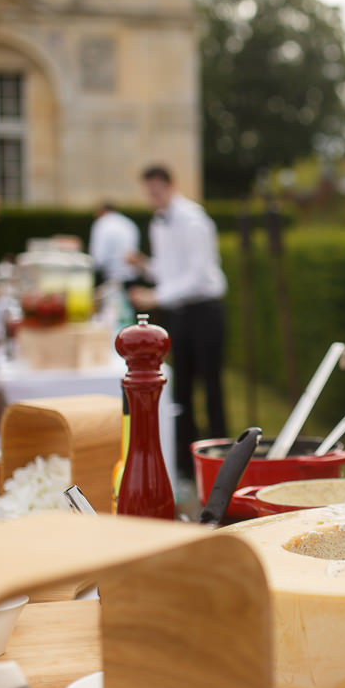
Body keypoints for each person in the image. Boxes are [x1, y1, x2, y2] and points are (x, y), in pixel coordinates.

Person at [127, 165, 229, 481]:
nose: (153, 197)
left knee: (211, 389)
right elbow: (169, 272)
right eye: (149, 192)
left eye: (157, 190)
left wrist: (154, 298)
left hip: (205, 311)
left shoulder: (194, 220)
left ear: (171, 186)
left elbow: (198, 276)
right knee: (181, 389)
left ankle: (223, 461)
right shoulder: (159, 225)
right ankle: (187, 465)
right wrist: (144, 266)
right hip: (179, 315)